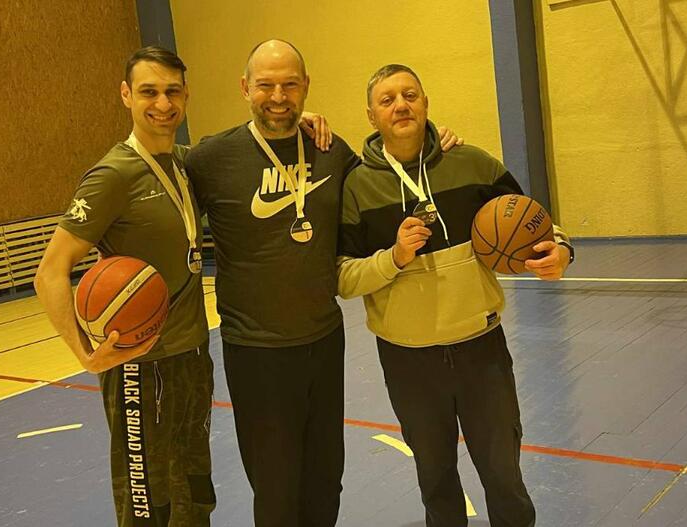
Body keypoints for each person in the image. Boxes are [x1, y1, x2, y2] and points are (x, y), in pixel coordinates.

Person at [184, 41, 461, 527]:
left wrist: (434, 148)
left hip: (324, 341)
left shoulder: (331, 150)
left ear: (306, 87)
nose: (278, 96)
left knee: (325, 479)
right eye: (266, 85)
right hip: (255, 350)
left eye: (290, 85)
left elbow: (386, 175)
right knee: (275, 488)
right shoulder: (211, 157)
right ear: (244, 87)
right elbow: (158, 190)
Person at [336, 64, 575, 527]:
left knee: (504, 475)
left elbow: (535, 222)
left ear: (426, 103)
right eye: (387, 99)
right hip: (408, 360)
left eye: (410, 95)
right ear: (371, 116)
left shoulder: (471, 163)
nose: (400, 105)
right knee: (436, 479)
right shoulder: (357, 187)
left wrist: (562, 249)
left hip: (481, 349)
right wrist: (394, 258)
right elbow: (343, 278)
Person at [34, 46, 215, 527]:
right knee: (148, 509)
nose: (163, 104)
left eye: (172, 91)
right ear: (125, 95)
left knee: (195, 496)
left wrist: (302, 124)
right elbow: (50, 271)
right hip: (138, 366)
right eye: (148, 92)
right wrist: (84, 353)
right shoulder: (112, 175)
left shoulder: (184, 164)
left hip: (193, 355)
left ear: (186, 95)